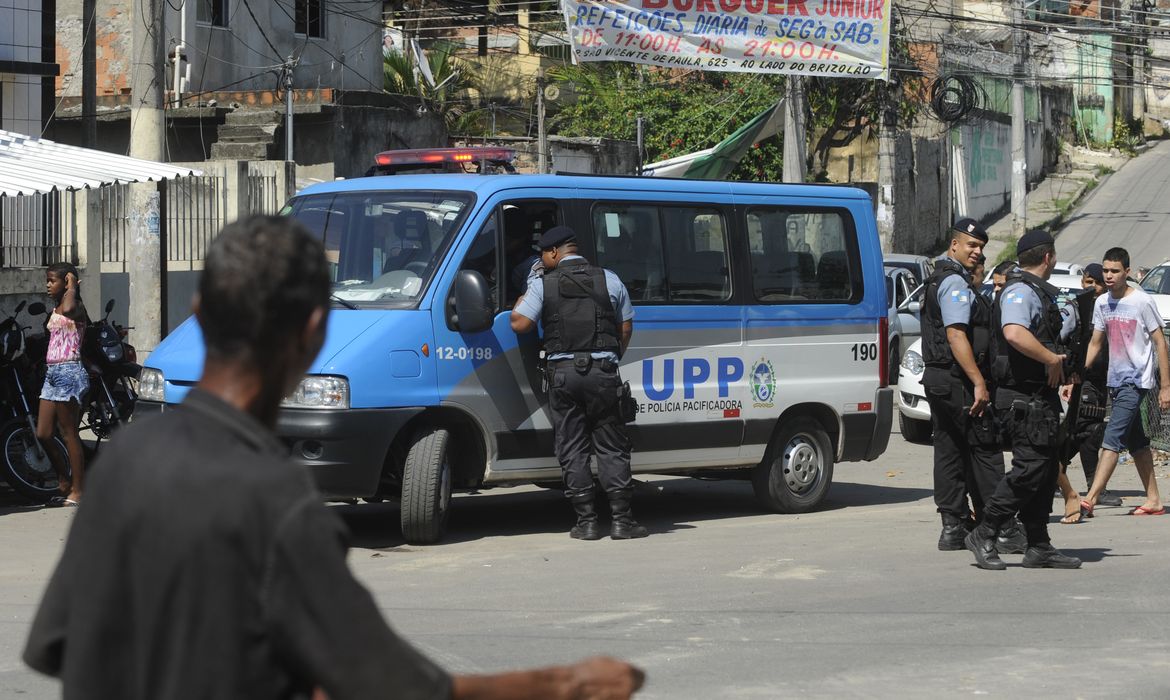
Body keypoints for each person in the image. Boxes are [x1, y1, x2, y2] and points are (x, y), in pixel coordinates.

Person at [23, 216, 645, 700]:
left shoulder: (128, 456)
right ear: (317, 331)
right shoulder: (278, 500)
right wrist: (562, 685)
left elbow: (56, 645)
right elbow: (396, 686)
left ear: (198, 313)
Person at [510, 225, 643, 540]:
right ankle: (622, 522)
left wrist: (525, 291)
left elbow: (520, 323)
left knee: (572, 446)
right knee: (612, 445)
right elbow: (625, 327)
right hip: (603, 373)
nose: (542, 258)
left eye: (543, 253)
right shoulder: (609, 279)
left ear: (554, 252)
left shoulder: (543, 284)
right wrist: (611, 358)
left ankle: (586, 523)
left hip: (563, 376)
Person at [965, 229, 1082, 570]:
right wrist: (1050, 358)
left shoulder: (1035, 292)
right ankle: (985, 531)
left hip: (1037, 398)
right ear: (1049, 257)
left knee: (1045, 473)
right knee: (1029, 470)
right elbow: (1014, 333)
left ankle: (1038, 544)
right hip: (1021, 399)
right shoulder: (1020, 290)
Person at [920, 219, 1023, 553]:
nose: (977, 253)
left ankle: (954, 526)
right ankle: (1003, 528)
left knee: (949, 450)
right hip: (957, 380)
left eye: (981, 248)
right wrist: (979, 381)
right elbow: (955, 334)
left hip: (940, 379)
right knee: (985, 449)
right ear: (954, 245)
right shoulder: (953, 283)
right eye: (971, 246)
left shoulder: (942, 278)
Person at [1079, 247, 1170, 518]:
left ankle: (1090, 498)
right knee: (1137, 443)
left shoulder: (1141, 301)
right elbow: (1096, 342)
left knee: (1112, 437)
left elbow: (1160, 343)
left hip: (1136, 382)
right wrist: (1078, 373)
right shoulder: (1102, 303)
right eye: (1105, 270)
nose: (1108, 275)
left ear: (1127, 273)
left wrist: (1165, 387)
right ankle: (1153, 499)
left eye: (1115, 271)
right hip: (1115, 382)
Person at [1055, 263, 1119, 524]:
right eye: (1088, 282)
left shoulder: (1109, 305)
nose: (1091, 287)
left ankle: (1052, 475)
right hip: (1083, 376)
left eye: (1096, 283)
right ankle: (1094, 487)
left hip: (1102, 378)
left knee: (1078, 431)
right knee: (1088, 430)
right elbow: (1061, 334)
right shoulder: (1076, 307)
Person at [39, 262, 89, 508]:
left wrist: (72, 286)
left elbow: (69, 308)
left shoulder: (76, 306)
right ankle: (63, 480)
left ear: (67, 282)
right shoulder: (55, 306)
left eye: (53, 280)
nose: (48, 285)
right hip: (52, 373)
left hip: (69, 371)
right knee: (44, 432)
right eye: (47, 280)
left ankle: (78, 490)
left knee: (69, 432)